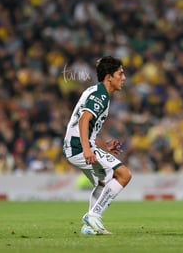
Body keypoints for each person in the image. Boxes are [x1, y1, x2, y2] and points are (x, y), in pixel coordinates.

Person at [63, 56, 131, 235]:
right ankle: (94, 215)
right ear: (109, 76)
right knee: (123, 174)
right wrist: (87, 149)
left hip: (75, 145)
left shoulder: (97, 92)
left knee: (104, 180)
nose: (124, 78)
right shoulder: (100, 95)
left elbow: (85, 127)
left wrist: (103, 145)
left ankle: (89, 225)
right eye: (120, 73)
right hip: (78, 147)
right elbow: (84, 119)